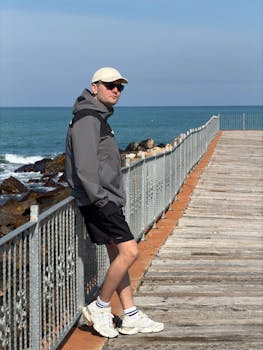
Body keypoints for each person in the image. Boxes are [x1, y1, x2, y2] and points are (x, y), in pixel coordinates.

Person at [65, 67, 164, 338]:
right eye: (110, 85)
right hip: (100, 201)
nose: (116, 90)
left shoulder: (98, 116)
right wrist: (100, 199)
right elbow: (85, 168)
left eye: (120, 87)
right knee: (130, 253)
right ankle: (100, 306)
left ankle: (130, 314)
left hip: (104, 199)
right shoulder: (88, 118)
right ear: (94, 87)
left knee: (117, 255)